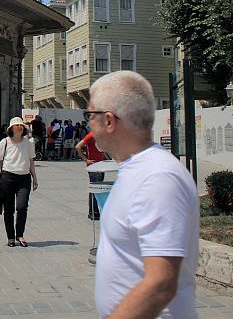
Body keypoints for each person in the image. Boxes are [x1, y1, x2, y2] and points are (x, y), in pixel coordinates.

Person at [88, 71, 199, 318]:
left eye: (90, 115)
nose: (88, 124)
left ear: (109, 121)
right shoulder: (136, 170)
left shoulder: (158, 178)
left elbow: (161, 284)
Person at [0, 117, 38, 247]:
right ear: (11, 128)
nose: (20, 127)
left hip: (24, 179)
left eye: (21, 125)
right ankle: (11, 237)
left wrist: (35, 178)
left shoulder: (28, 143)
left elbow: (31, 161)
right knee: (9, 209)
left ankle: (20, 235)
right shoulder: (5, 142)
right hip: (7, 178)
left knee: (22, 207)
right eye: (17, 125)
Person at [75, 130, 106, 220]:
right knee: (95, 190)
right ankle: (94, 213)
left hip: (100, 165)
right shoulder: (91, 135)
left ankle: (93, 212)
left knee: (95, 190)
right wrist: (86, 160)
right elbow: (78, 147)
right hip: (94, 166)